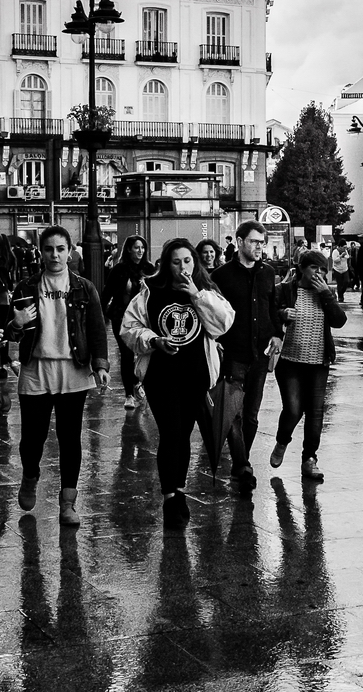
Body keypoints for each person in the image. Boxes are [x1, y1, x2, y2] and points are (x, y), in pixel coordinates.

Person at [122, 238, 234, 526]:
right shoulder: (151, 293)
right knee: (171, 434)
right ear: (165, 264)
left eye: (187, 261)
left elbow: (223, 324)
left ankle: (179, 490)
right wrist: (154, 340)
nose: (182, 267)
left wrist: (197, 295)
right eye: (176, 262)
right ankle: (170, 497)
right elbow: (129, 328)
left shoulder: (206, 291)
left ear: (194, 262)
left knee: (183, 436)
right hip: (162, 377)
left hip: (196, 377)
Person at [7, 223, 110, 529]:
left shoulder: (83, 287)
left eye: (60, 249)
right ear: (41, 252)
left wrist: (101, 365)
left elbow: (96, 327)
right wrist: (16, 325)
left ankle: (68, 504)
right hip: (36, 368)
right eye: (49, 249)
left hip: (73, 368)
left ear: (69, 251)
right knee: (32, 439)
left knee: (70, 438)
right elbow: (10, 330)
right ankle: (30, 475)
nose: (55, 255)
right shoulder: (26, 287)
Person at [211, 222, 283, 493]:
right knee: (233, 413)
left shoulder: (267, 273)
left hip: (261, 354)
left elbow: (272, 305)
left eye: (262, 243)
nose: (259, 247)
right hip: (233, 353)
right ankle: (242, 466)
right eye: (254, 242)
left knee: (251, 416)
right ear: (240, 242)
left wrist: (277, 333)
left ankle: (242, 462)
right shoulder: (222, 275)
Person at [268, 250, 349, 482]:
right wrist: (283, 313)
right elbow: (270, 315)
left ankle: (309, 459)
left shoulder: (326, 292)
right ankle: (282, 441)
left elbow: (339, 321)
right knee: (293, 409)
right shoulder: (285, 290)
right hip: (289, 360)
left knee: (315, 412)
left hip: (318, 362)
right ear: (302, 268)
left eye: (323, 270)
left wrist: (325, 293)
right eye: (315, 268)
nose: (319, 273)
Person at [102, 235, 154, 409]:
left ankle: (139, 382)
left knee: (144, 352)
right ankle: (129, 394)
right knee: (126, 354)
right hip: (121, 317)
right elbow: (107, 292)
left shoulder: (149, 269)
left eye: (142, 248)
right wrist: (102, 314)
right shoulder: (119, 269)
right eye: (136, 248)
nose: (140, 251)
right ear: (129, 249)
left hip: (143, 319)